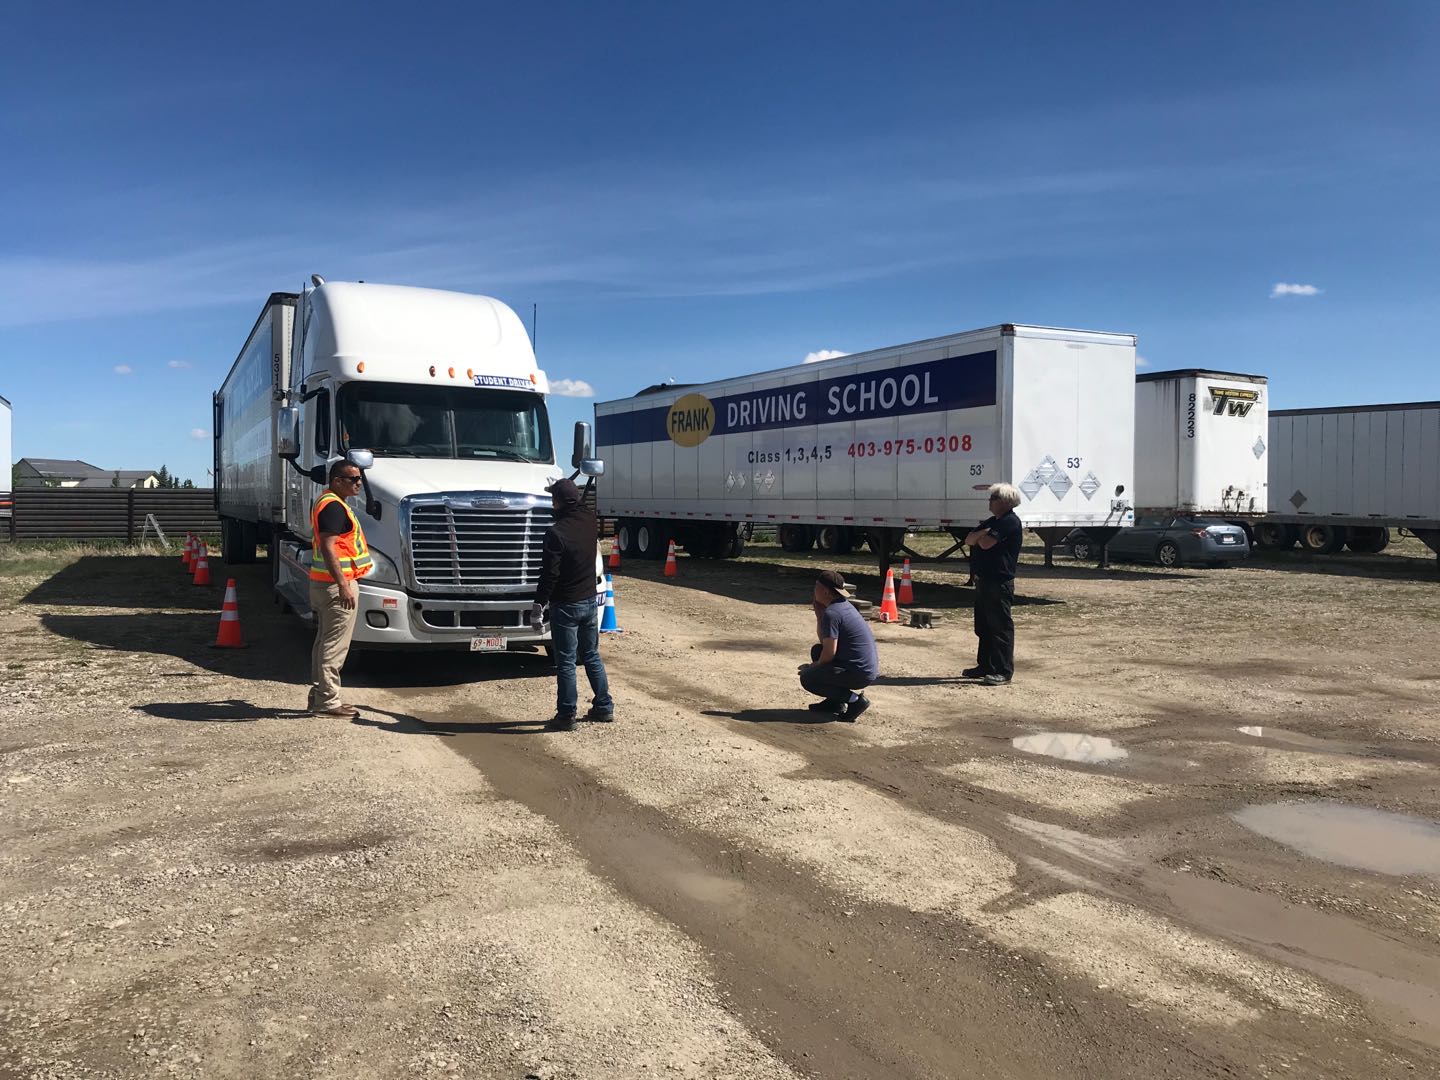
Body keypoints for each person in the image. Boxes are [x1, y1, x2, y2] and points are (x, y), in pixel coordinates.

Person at [531, 478, 613, 731]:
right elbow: (578, 505)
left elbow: (549, 574)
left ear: (559, 502)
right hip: (589, 602)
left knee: (566, 661)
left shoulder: (556, 533)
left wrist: (538, 605)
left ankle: (567, 715)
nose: (551, 504)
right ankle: (604, 706)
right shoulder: (589, 521)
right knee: (590, 655)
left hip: (565, 605)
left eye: (552, 499)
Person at [308, 459, 374, 717]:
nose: (359, 484)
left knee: (324, 642)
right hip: (336, 588)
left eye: (359, 479)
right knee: (334, 647)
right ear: (336, 481)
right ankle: (327, 702)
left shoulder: (328, 502)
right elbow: (328, 546)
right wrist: (343, 584)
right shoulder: (334, 508)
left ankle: (319, 696)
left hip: (325, 585)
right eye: (353, 479)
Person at [799, 570, 879, 721]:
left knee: (808, 678)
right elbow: (825, 643)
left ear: (826, 591)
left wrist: (812, 667)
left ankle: (855, 701)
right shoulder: (843, 606)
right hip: (861, 668)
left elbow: (829, 653)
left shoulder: (833, 613)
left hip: (858, 673)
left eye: (816, 587)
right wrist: (819, 616)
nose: (814, 590)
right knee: (817, 651)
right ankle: (835, 702)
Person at [964, 482, 1024, 685]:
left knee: (1000, 627)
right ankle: (986, 665)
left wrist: (982, 535)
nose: (989, 501)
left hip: (999, 581)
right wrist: (983, 534)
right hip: (984, 580)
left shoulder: (1009, 522)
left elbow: (985, 543)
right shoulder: (993, 521)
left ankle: (1003, 670)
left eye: (993, 498)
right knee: (984, 626)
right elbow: (969, 540)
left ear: (1005, 502)